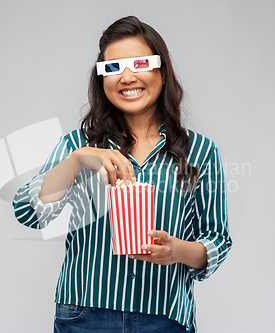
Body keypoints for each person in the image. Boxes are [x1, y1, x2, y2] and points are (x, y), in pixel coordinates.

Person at [13, 16, 232, 333]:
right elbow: (28, 212)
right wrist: (76, 162)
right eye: (113, 68)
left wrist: (176, 251)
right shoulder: (79, 147)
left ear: (162, 71)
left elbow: (217, 240)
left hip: (165, 318)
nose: (127, 77)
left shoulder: (201, 152)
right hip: (85, 317)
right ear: (101, 80)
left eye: (140, 63)